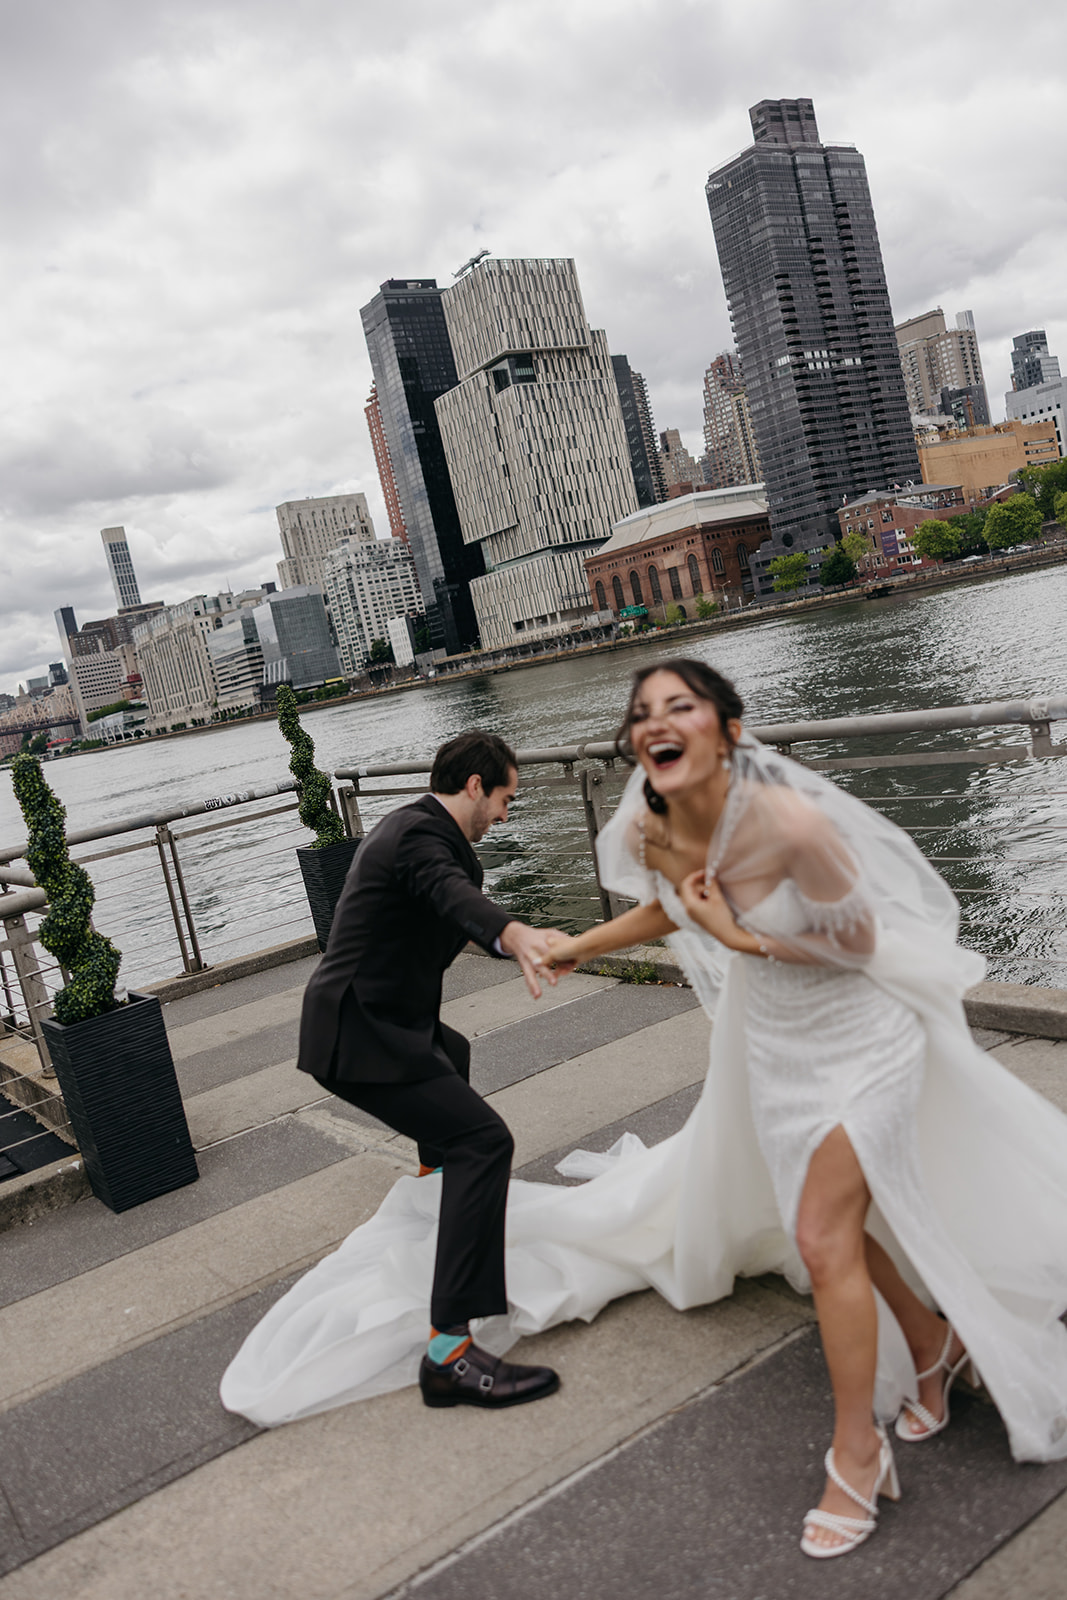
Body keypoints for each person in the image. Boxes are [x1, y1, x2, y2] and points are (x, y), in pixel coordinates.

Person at [222, 666, 1067, 1558]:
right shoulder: (648, 823)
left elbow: (853, 944)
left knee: (821, 1239)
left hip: (859, 1036)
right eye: (642, 711)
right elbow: (666, 909)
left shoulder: (792, 824)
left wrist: (730, 934)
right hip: (773, 1046)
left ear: (727, 730)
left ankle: (856, 1453)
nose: (655, 721)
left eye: (680, 706)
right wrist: (571, 947)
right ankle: (932, 1346)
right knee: (833, 1226)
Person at [284, 729, 563, 1411]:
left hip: (386, 1022)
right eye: (505, 799)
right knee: (484, 1142)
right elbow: (449, 892)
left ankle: (433, 1201)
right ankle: (449, 1357)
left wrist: (534, 944)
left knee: (452, 1053)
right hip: (358, 1033)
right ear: (475, 785)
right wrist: (515, 932)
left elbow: (452, 905)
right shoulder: (418, 836)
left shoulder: (424, 835)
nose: (504, 815)